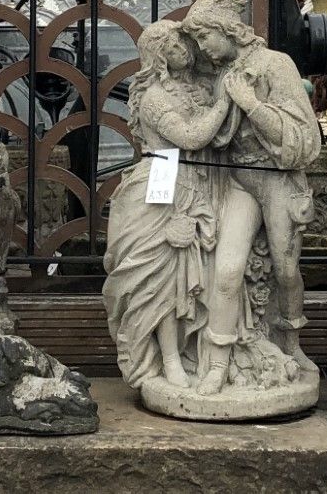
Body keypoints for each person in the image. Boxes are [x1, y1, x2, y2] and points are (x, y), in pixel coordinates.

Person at [180, 0, 321, 395]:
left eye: (205, 36)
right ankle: (218, 361)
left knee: (286, 270)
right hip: (240, 180)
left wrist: (251, 104)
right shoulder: (219, 72)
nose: (202, 47)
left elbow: (305, 141)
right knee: (226, 270)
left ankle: (290, 343)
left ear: (227, 30)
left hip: (278, 181)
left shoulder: (276, 64)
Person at [102, 20, 236, 389]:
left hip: (195, 185)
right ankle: (170, 359)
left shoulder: (195, 87)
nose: (183, 50)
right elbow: (191, 137)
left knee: (195, 279)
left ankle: (198, 354)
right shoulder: (155, 98)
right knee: (161, 281)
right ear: (159, 57)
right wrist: (228, 99)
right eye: (174, 46)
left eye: (182, 43)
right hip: (161, 188)